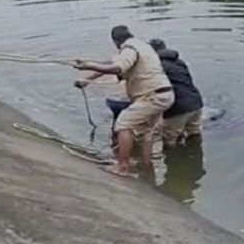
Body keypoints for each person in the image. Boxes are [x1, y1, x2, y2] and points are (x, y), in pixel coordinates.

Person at [74, 26, 174, 177]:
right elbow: (111, 63)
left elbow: (118, 68)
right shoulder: (143, 46)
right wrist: (87, 79)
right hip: (165, 94)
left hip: (151, 96)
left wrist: (89, 65)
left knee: (122, 124)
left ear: (115, 41)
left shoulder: (129, 48)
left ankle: (123, 167)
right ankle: (146, 166)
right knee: (146, 131)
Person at [148, 38, 204, 148]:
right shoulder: (179, 62)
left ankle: (175, 162)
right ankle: (196, 158)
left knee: (168, 139)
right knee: (194, 133)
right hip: (196, 103)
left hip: (177, 108)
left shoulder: (156, 65)